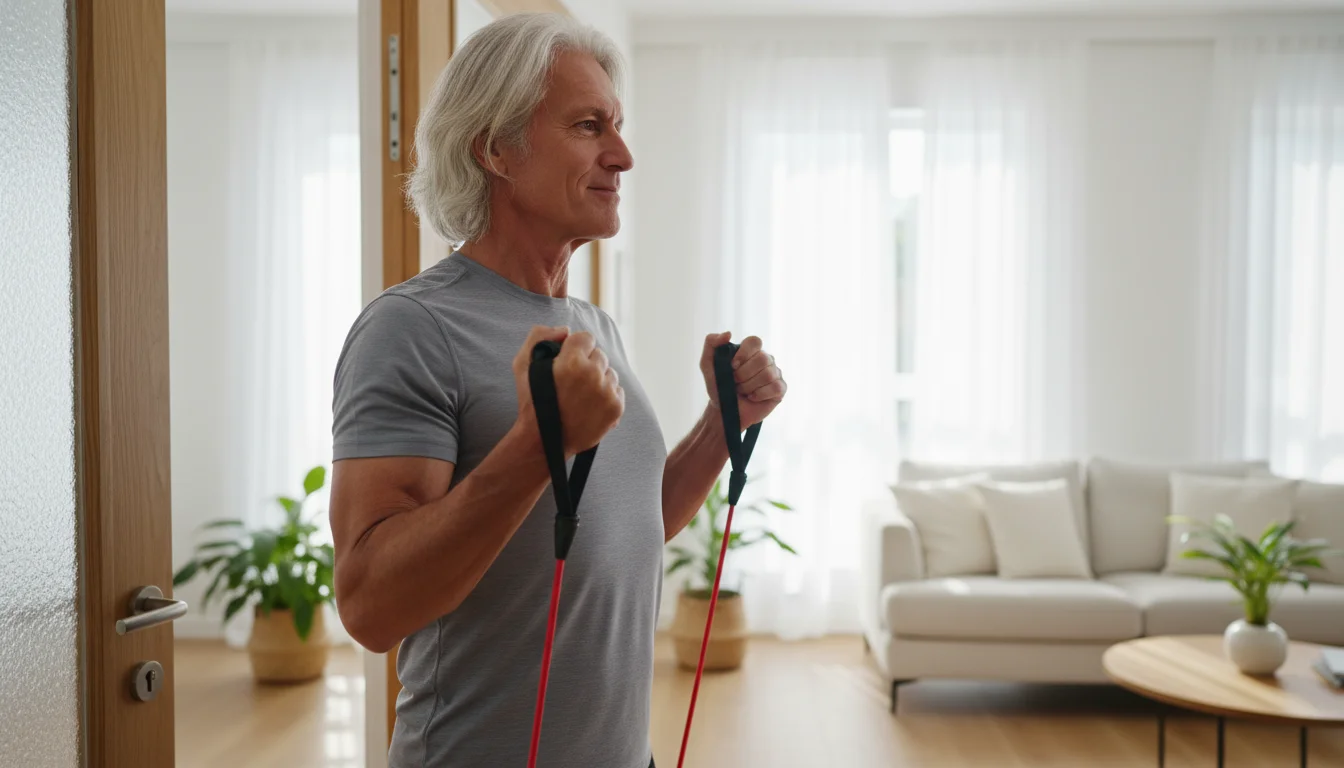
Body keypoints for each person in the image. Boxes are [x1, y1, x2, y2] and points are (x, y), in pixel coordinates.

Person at [329, 13, 787, 768]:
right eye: (588, 126)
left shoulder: (592, 326)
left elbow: (624, 529)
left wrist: (720, 426)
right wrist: (539, 445)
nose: (623, 155)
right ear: (495, 148)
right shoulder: (410, 327)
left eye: (618, 126)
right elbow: (371, 605)